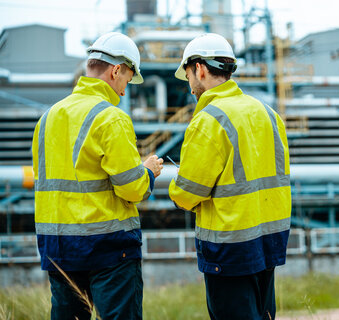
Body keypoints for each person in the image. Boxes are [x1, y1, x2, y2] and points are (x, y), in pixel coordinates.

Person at [32, 32, 164, 320]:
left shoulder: (48, 118)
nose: (124, 92)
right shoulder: (110, 117)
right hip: (106, 248)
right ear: (116, 70)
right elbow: (131, 189)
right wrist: (148, 172)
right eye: (127, 81)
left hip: (57, 247)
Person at [169, 33, 292, 320]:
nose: (189, 86)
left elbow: (187, 194)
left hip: (229, 246)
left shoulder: (209, 119)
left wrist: (176, 187)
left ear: (199, 69)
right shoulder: (267, 113)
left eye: (188, 75)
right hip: (268, 239)